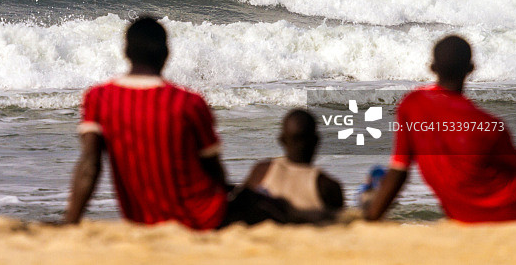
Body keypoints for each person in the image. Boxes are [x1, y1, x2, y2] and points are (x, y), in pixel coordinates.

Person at [64, 16, 289, 230]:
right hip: (201, 217)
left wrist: (70, 221)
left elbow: (89, 165)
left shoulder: (99, 98)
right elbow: (214, 172)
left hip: (142, 217)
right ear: (166, 54)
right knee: (273, 206)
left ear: (126, 52)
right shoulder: (188, 102)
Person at [366, 35, 516, 222]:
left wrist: (370, 218)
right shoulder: (488, 125)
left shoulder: (412, 106)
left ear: (432, 68)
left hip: (466, 214)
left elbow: (399, 170)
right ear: (471, 69)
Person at [243, 109, 344, 223]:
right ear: (316, 141)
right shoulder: (327, 186)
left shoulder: (261, 172)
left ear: (281, 140)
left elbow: (241, 204)